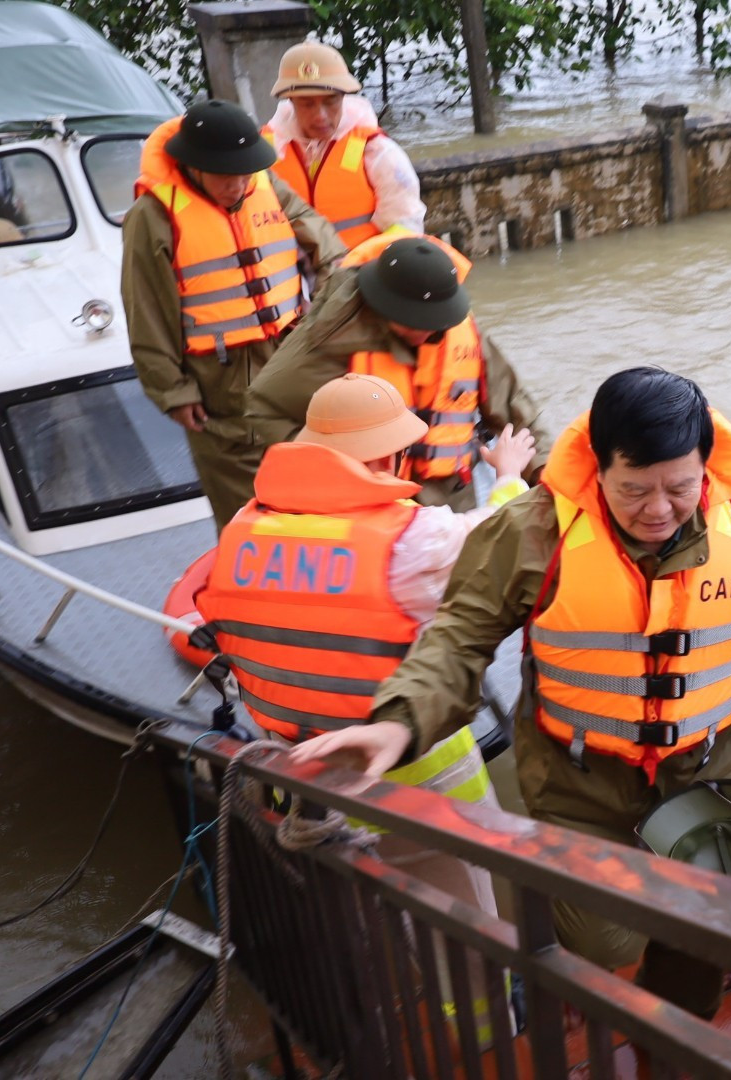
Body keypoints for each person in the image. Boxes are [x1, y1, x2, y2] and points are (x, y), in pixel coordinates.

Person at [292, 367, 731, 1019]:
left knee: (700, 928)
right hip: (580, 780)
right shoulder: (533, 529)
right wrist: (399, 721)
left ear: (705, 468)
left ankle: (675, 1035)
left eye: (680, 487)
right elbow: (460, 635)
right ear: (598, 467)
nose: (659, 510)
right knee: (603, 938)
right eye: (634, 489)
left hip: (704, 768)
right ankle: (600, 983)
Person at [206, 372, 532, 1045]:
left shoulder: (245, 527)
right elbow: (501, 538)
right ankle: (489, 1037)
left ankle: (383, 1022)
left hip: (304, 775)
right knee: (466, 925)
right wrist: (508, 474)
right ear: (388, 457)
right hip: (416, 779)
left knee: (371, 914)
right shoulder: (413, 540)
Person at [121, 99, 346, 531]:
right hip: (219, 388)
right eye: (227, 176)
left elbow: (326, 247)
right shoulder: (151, 217)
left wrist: (326, 314)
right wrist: (173, 391)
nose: (239, 185)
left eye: (245, 173)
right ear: (195, 166)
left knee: (318, 500)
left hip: (290, 365)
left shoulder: (265, 184)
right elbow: (145, 312)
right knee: (248, 521)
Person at [246, 232, 550, 511]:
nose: (429, 330)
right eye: (417, 322)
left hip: (453, 507)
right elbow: (263, 406)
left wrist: (548, 475)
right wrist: (327, 468)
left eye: (436, 320)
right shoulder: (332, 340)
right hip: (369, 509)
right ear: (385, 306)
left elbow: (518, 411)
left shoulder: (460, 330)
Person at [263, 41, 426, 247]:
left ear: (343, 97)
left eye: (330, 101)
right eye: (307, 104)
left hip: (360, 264)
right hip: (289, 266)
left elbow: (406, 226)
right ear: (290, 100)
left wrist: (363, 262)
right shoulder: (265, 150)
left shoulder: (376, 150)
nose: (320, 116)